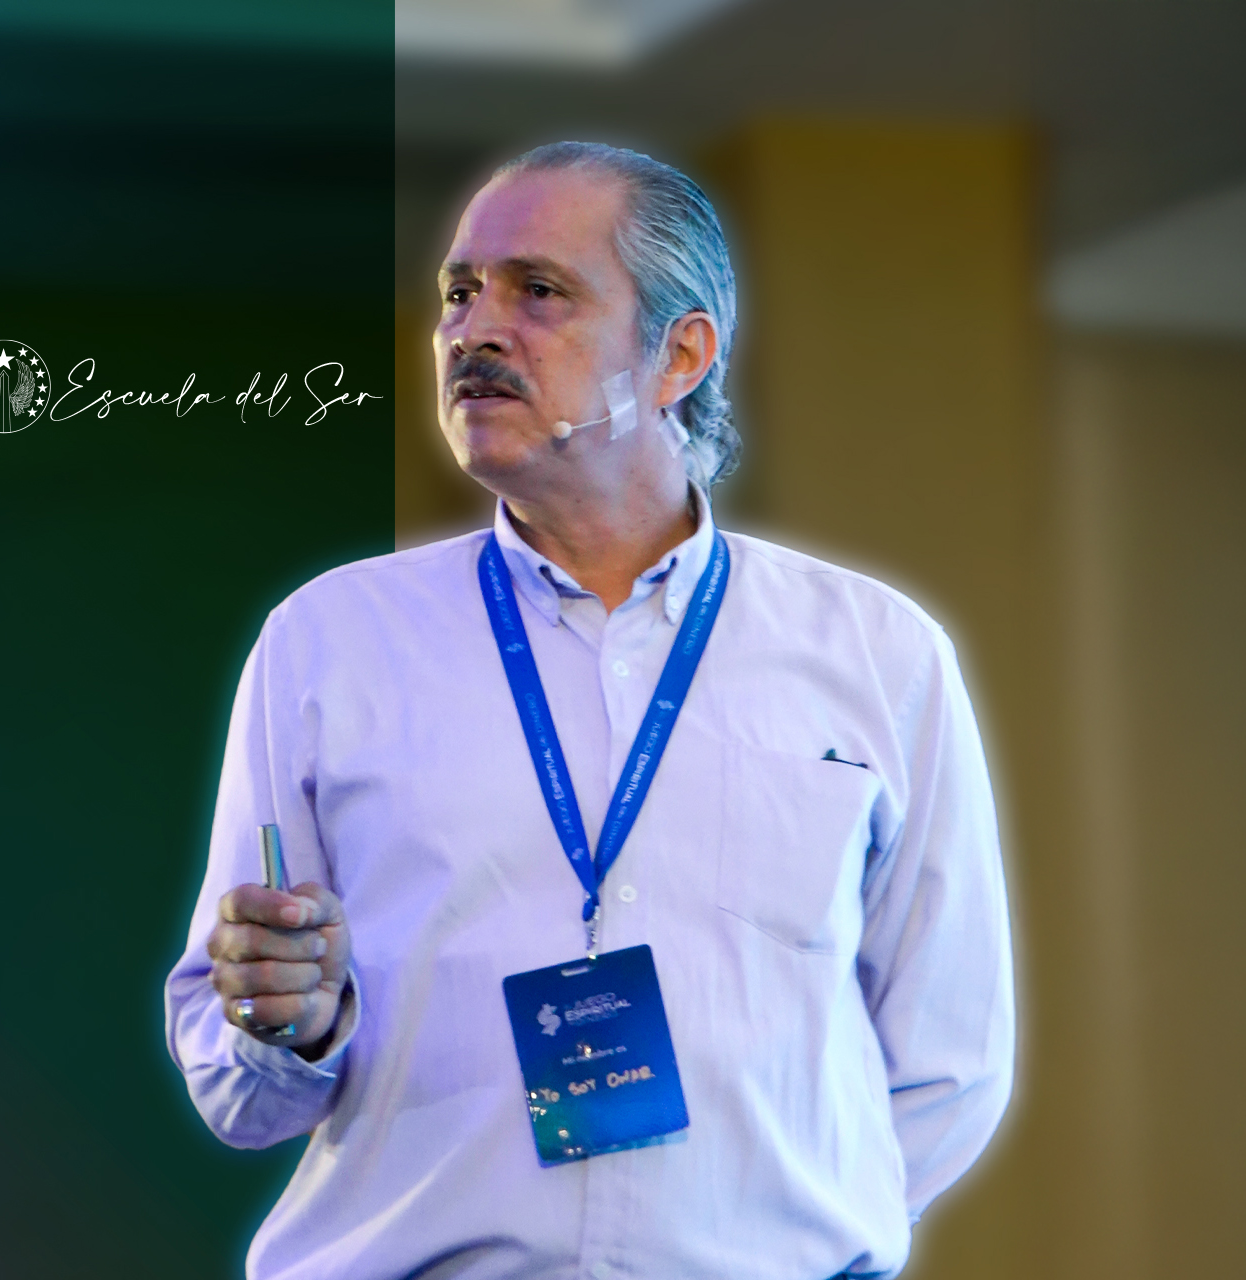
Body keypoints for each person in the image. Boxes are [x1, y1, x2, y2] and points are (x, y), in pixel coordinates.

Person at [165, 141, 1013, 1280]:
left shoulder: (878, 655)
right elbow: (234, 1086)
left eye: (539, 291)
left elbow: (950, 1060)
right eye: (458, 292)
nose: (474, 330)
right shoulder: (329, 642)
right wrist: (290, 1025)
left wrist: (770, 1240)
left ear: (680, 356)